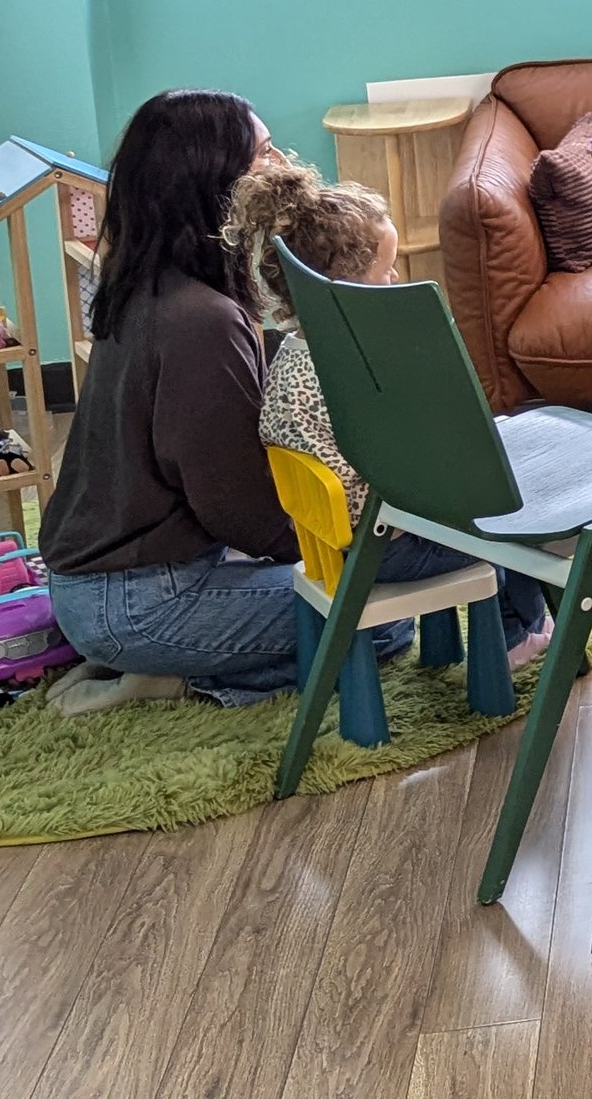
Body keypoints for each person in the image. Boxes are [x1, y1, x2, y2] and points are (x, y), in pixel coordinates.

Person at [225, 158, 553, 666]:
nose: (397, 277)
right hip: (383, 546)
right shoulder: (350, 376)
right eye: (387, 269)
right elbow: (405, 471)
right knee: (514, 521)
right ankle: (521, 632)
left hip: (331, 544)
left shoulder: (292, 352)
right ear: (346, 288)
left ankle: (507, 628)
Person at [41, 90, 301, 714]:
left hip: (99, 587)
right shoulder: (198, 319)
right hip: (136, 603)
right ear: (219, 180)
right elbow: (234, 503)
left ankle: (153, 659)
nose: (282, 166)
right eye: (264, 155)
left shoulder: (145, 285)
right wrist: (329, 549)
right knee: (381, 622)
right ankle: (173, 679)